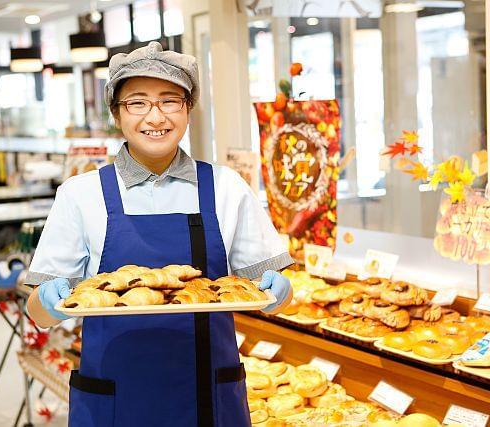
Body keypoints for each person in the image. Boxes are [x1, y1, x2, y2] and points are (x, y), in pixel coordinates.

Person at [26, 41, 293, 427]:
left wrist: (278, 293)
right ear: (117, 114)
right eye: (137, 102)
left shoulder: (225, 187)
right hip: (115, 397)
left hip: (208, 396)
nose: (156, 116)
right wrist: (49, 303)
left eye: (170, 100)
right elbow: (38, 314)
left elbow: (270, 293)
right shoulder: (79, 194)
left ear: (188, 111)